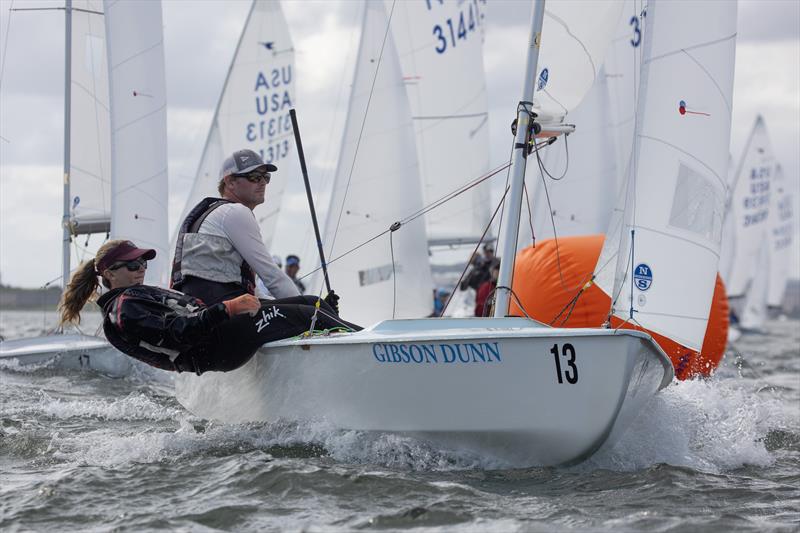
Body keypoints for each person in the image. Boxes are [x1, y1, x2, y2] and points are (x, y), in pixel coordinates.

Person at [59, 240, 360, 375]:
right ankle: (365, 349)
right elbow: (177, 333)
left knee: (313, 303)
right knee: (310, 315)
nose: (141, 268)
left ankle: (350, 342)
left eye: (144, 262)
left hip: (222, 335)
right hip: (217, 347)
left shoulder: (131, 298)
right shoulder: (124, 311)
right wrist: (227, 309)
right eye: (133, 264)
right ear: (109, 273)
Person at [171, 148, 339, 312]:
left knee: (309, 306)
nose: (263, 183)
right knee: (312, 303)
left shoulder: (213, 213)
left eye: (266, 177)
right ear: (229, 182)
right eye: (254, 177)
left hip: (203, 313)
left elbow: (254, 294)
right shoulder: (235, 212)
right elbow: (273, 277)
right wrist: (313, 312)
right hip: (221, 316)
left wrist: (303, 308)